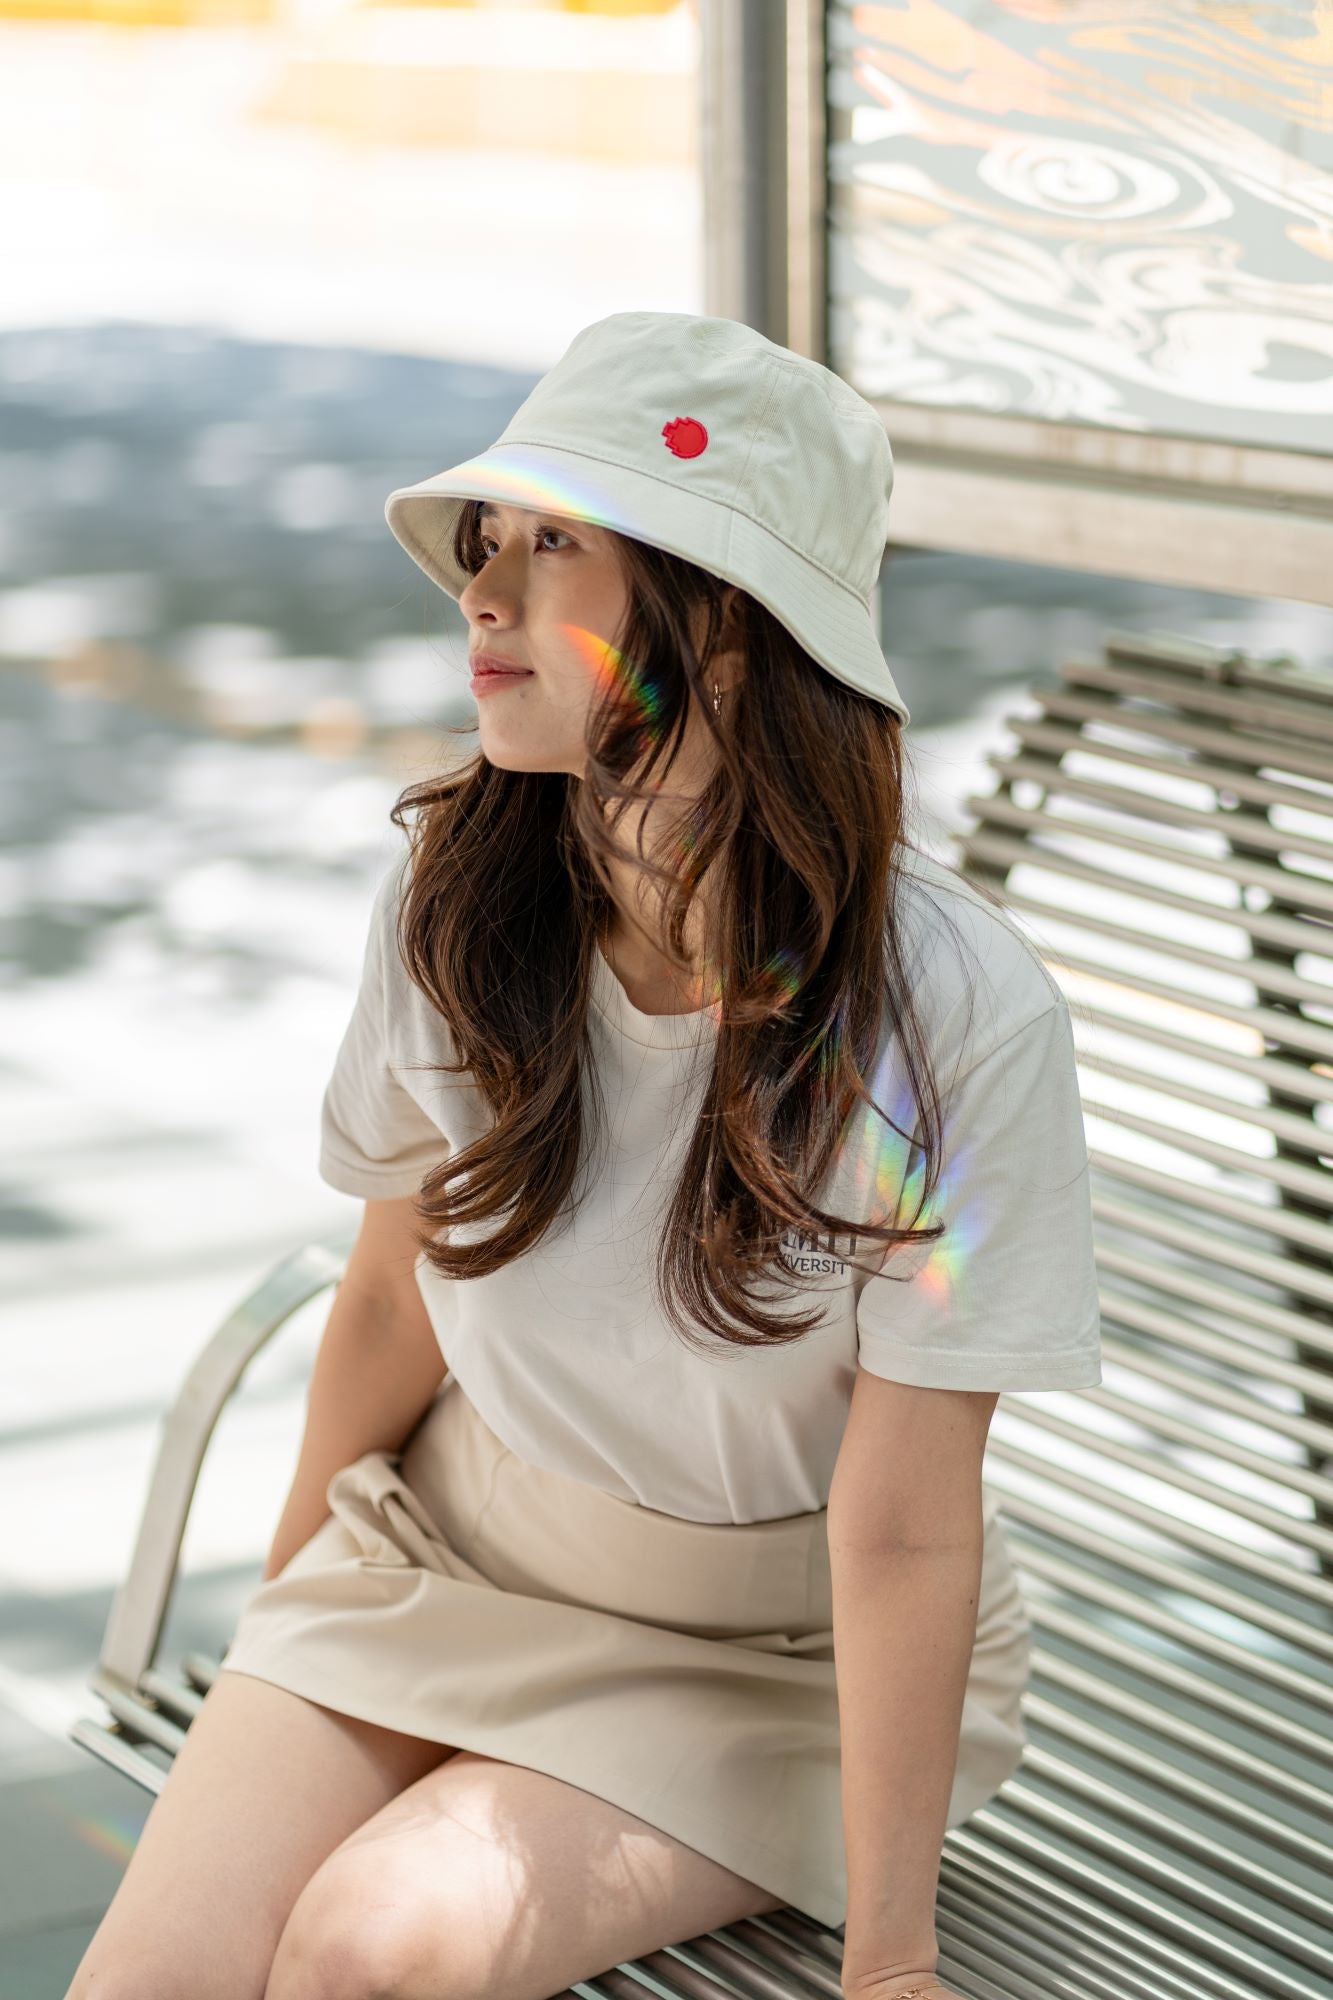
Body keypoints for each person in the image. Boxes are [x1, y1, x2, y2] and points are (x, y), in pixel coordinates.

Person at [67, 311, 1101, 2000]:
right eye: (492, 540)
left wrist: (892, 1962)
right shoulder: (456, 907)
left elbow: (908, 1522)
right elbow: (394, 1300)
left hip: (769, 1654)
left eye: (560, 545)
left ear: (738, 634)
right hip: (445, 1559)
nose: (483, 589)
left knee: (368, 1951)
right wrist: (281, 1621)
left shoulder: (949, 1014)